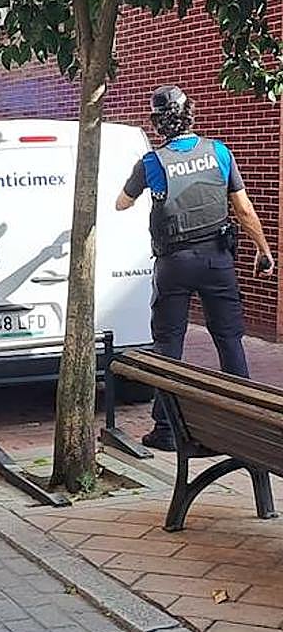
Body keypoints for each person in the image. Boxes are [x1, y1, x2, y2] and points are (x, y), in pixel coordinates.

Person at [116, 85, 275, 451]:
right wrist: (262, 249)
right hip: (218, 260)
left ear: (158, 123)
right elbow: (244, 209)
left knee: (168, 344)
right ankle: (243, 423)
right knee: (229, 339)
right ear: (191, 114)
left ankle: (167, 429)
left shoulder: (151, 163)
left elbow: (122, 204)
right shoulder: (219, 152)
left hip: (174, 263)